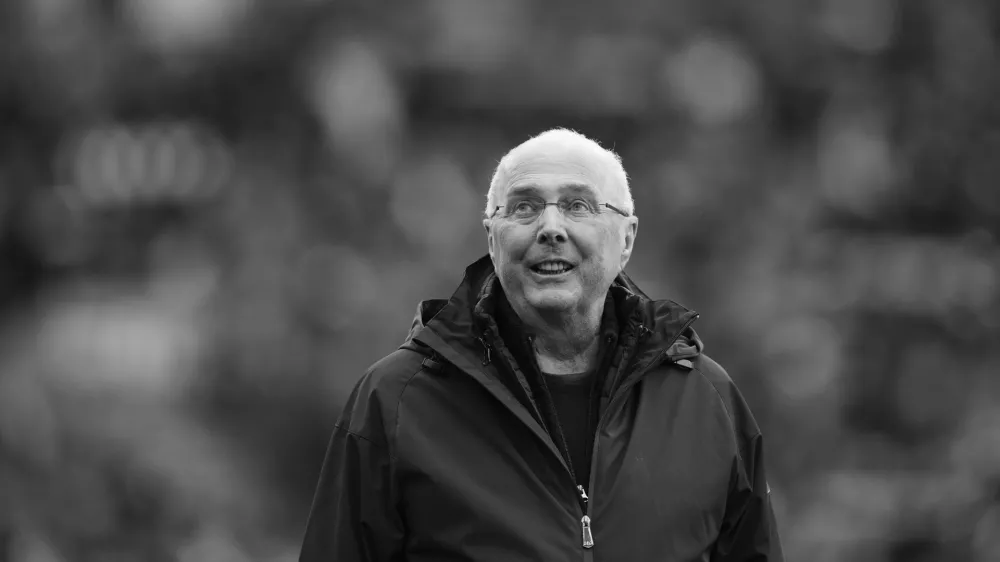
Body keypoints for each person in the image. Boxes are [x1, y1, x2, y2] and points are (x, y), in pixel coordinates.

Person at [299, 128, 784, 561]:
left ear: (627, 238)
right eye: (524, 206)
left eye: (578, 205)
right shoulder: (395, 399)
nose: (551, 228)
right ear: (492, 238)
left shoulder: (707, 399)